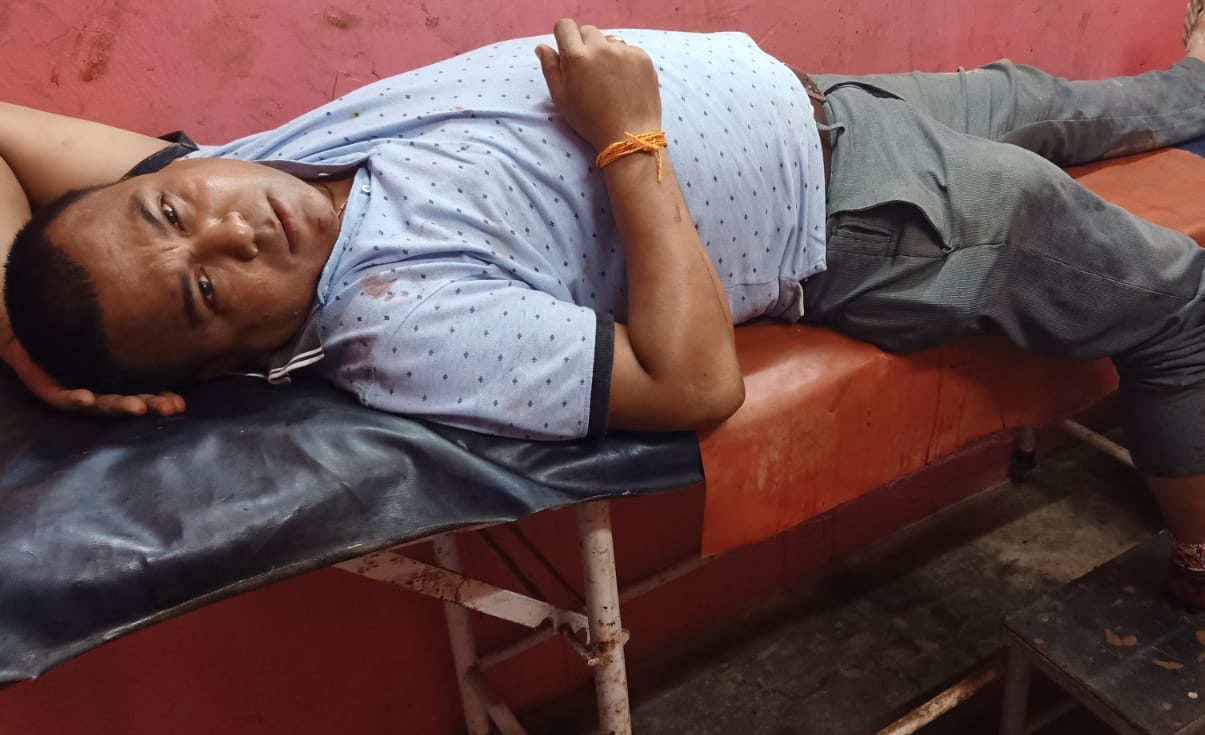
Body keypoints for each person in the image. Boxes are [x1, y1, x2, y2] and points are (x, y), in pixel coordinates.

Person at [4, 17, 1205, 604]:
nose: (226, 231)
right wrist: (628, 137)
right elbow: (689, 385)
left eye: (170, 209)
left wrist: (16, 327)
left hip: (826, 106)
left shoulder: (245, 167)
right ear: (232, 359)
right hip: (868, 211)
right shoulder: (395, 318)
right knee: (1171, 304)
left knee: (1077, 102)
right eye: (205, 292)